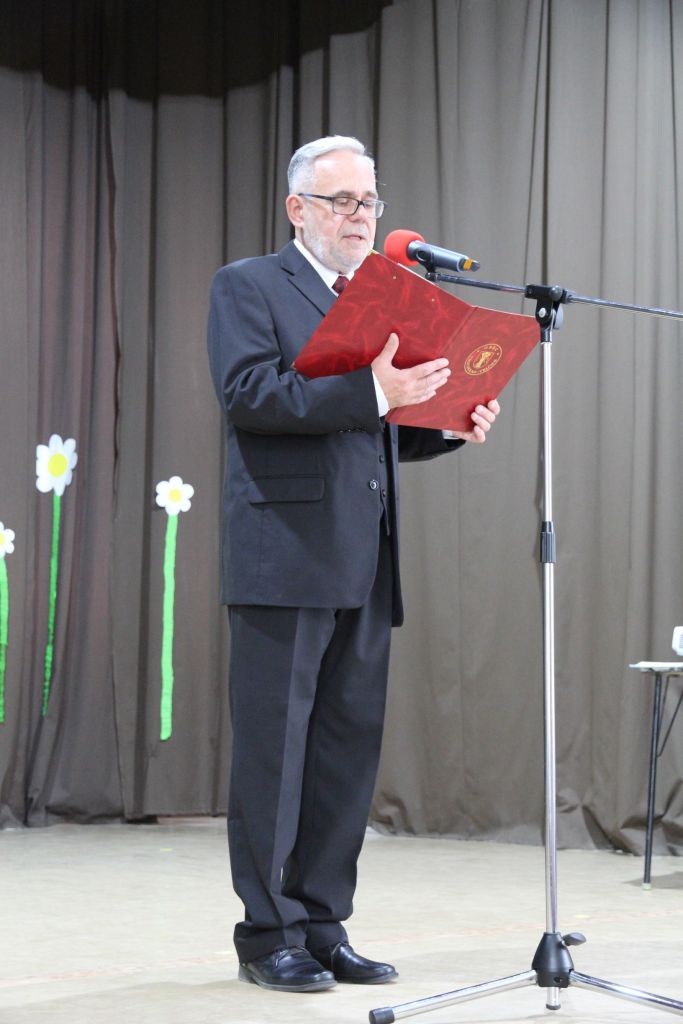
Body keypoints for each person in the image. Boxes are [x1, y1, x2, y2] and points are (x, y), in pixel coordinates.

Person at [207, 135, 499, 993]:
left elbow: (369, 436)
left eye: (368, 201)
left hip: (365, 555)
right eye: (340, 201)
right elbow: (250, 396)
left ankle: (323, 924)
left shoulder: (381, 294)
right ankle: (268, 934)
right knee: (276, 755)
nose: (359, 216)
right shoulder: (249, 285)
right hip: (283, 556)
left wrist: (445, 424)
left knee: (343, 752)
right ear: (297, 209)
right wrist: (375, 390)